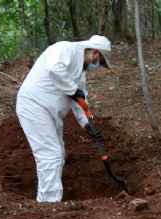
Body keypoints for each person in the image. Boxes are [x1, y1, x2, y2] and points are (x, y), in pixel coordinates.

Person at [16, 35, 110, 202]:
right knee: (50, 155)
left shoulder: (80, 73)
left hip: (50, 112)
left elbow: (80, 101)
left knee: (58, 153)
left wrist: (88, 124)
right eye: (101, 63)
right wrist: (73, 90)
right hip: (33, 105)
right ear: (95, 53)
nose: (98, 67)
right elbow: (54, 69)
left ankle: (48, 201)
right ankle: (49, 206)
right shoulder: (66, 49)